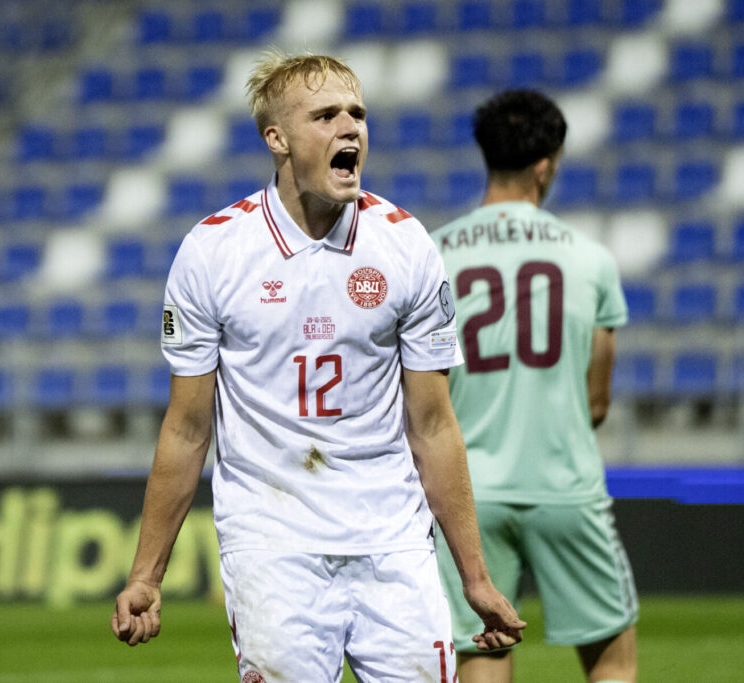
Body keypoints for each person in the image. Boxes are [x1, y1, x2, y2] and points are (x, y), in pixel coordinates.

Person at [110, 51, 525, 682]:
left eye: (357, 113)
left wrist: (475, 576)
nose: (350, 127)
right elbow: (188, 430)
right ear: (276, 139)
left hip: (393, 539)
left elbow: (434, 425)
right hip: (272, 544)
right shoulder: (212, 252)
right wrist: (146, 575)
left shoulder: (405, 244)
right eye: (325, 115)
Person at [433, 89, 639, 683]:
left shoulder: (434, 254)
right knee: (612, 658)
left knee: (484, 649)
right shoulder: (590, 259)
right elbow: (596, 399)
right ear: (545, 166)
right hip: (563, 482)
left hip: (468, 491)